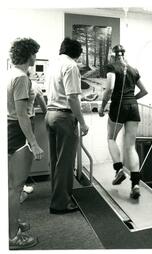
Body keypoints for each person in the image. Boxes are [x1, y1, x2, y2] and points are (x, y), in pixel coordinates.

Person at [45, 37, 89, 214]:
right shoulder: (71, 66)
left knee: (56, 161)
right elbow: (71, 97)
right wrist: (83, 123)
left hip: (50, 114)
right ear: (77, 53)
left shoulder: (53, 64)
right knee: (66, 162)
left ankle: (58, 196)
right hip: (64, 117)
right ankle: (61, 203)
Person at [98, 45, 148, 199]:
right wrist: (131, 100)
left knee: (111, 138)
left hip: (118, 106)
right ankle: (135, 185)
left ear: (113, 56)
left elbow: (110, 89)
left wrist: (102, 107)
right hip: (133, 107)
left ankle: (119, 169)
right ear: (124, 55)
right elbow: (144, 91)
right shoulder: (134, 70)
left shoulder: (112, 67)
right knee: (131, 146)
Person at [7, 37, 43, 249]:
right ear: (29, 55)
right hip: (18, 133)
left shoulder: (9, 74)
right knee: (15, 188)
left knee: (9, 186)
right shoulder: (21, 78)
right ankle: (12, 237)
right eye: (34, 53)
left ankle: (12, 220)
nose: (35, 57)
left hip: (8, 130)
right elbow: (21, 115)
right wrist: (34, 143)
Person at [20, 76, 47, 204]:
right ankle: (19, 188)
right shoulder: (35, 85)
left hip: (10, 122)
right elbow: (44, 107)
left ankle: (17, 187)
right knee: (25, 155)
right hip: (28, 120)